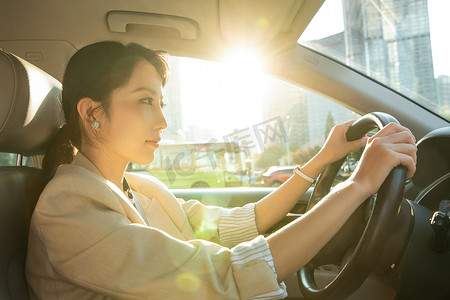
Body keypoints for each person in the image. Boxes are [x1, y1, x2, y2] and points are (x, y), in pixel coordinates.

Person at [25, 41, 417, 300]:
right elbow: (221, 275)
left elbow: (237, 225)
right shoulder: (68, 206)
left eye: (162, 103)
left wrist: (321, 160)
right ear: (92, 112)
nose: (162, 121)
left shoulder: (139, 188)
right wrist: (358, 185)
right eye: (145, 101)